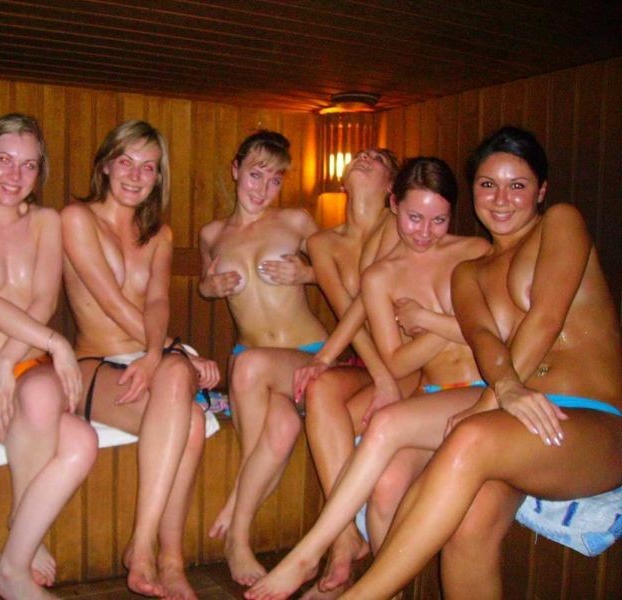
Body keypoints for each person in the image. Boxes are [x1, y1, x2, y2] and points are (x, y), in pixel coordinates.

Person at [320, 126, 622, 600]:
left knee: (471, 435)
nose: (501, 199)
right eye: (487, 184)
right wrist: (499, 394)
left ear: (541, 190)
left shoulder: (560, 222)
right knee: (468, 527)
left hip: (589, 419)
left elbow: (546, 318)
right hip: (520, 421)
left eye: (517, 185)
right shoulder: (471, 270)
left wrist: (499, 395)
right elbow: (484, 342)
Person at [246, 156, 490, 600]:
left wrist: (431, 322)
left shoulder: (475, 252)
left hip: (480, 389)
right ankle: (382, 585)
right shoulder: (381, 277)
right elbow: (395, 362)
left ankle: (308, 554)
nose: (424, 232)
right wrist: (456, 326)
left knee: (385, 423)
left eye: (438, 220)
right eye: (414, 218)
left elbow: (501, 331)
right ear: (394, 206)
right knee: (386, 486)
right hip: (433, 392)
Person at [0, 113, 97, 600]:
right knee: (61, 417)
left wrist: (9, 361)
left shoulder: (46, 221)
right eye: (4, 160)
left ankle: (12, 562)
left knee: (82, 440)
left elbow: (44, 299)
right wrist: (55, 343)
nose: (14, 175)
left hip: (26, 371)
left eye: (28, 165)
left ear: (39, 171)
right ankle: (24, 543)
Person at [61, 120, 219, 600]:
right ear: (106, 165)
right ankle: (149, 550)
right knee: (183, 394)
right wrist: (169, 351)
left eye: (148, 167)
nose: (135, 175)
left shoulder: (160, 234)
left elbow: (157, 301)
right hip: (95, 365)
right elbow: (109, 301)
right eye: (126, 162)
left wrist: (157, 353)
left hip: (148, 354)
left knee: (192, 420)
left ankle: (164, 557)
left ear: (158, 177)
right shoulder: (76, 218)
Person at [199, 130, 326, 585]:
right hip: (254, 360)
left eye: (275, 180)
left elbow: (345, 274)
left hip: (306, 355)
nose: (263, 188)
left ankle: (237, 526)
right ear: (236, 170)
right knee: (283, 426)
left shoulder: (296, 221)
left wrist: (307, 273)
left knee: (248, 365)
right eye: (256, 174)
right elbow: (205, 284)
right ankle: (242, 529)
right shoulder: (212, 234)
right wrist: (209, 287)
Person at [296, 148, 406, 596]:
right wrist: (334, 363)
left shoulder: (400, 226)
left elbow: (371, 304)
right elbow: (348, 311)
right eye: (360, 156)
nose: (364, 157)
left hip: (408, 357)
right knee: (319, 387)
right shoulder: (321, 243)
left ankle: (349, 561)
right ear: (342, 181)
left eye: (377, 158)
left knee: (328, 386)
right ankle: (344, 540)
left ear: (391, 185)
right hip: (367, 358)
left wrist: (386, 376)